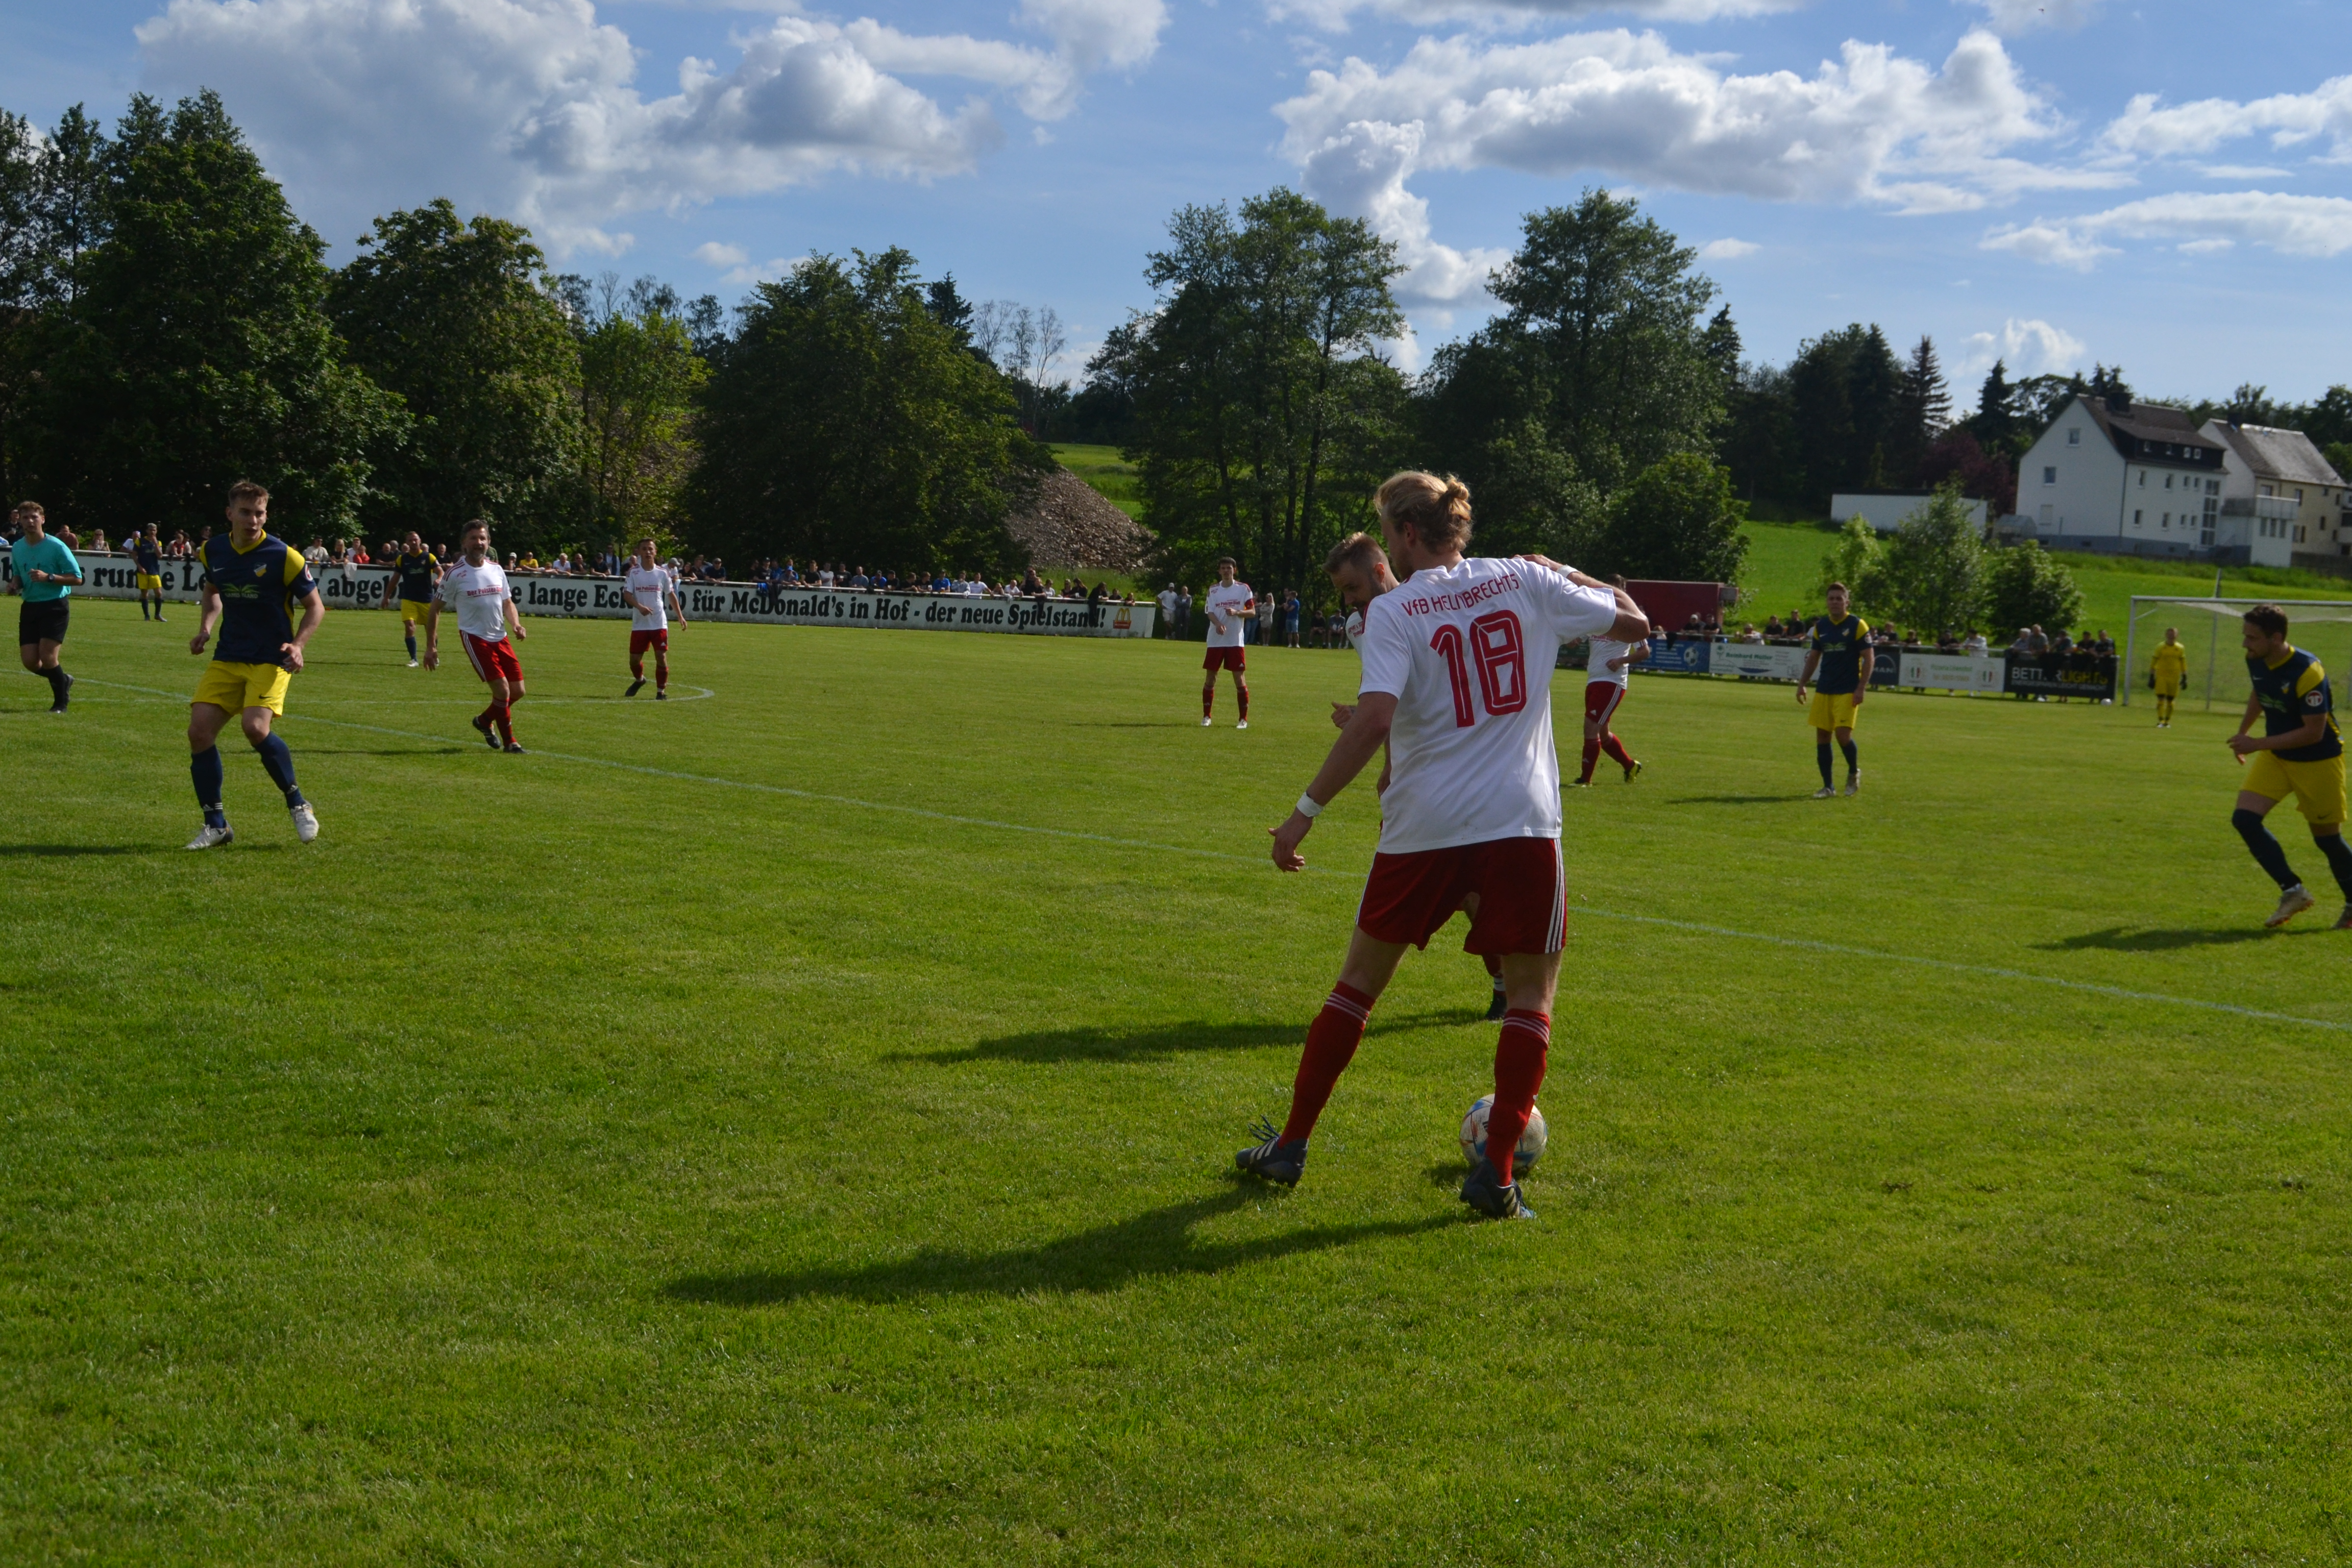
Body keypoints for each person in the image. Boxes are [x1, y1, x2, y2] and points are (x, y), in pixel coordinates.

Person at [1242, 474, 1646, 1219]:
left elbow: (1374, 720)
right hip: (1520, 822)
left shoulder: (1395, 610)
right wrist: (1564, 568)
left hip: (1423, 826)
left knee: (1356, 987)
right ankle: (1497, 1176)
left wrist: (1303, 814)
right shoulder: (1525, 578)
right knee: (1529, 999)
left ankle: (1292, 1144)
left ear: (1404, 535)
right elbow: (1635, 621)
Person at [183, 481, 323, 848]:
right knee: (199, 733)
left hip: (270, 657)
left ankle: (298, 802)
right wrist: (205, 629)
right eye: (246, 513)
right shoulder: (212, 550)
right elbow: (213, 592)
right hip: (229, 655)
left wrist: (298, 645)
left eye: (260, 513)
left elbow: (315, 607)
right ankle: (216, 825)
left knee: (255, 728)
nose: (253, 520)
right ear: (230, 514)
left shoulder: (285, 556)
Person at [2225, 605, 2351, 929]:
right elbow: (2260, 692)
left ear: (2276, 638)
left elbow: (2313, 733)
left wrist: (2256, 744)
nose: (2245, 644)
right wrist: (2243, 733)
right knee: (2245, 819)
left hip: (2318, 761)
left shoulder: (2308, 671)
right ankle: (2293, 891)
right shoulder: (2257, 658)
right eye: (2245, 636)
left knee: (2327, 840)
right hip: (2278, 757)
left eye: (2252, 638)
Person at [424, 519, 528, 753]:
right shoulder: (455, 574)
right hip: (475, 638)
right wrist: (431, 647)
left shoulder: (496, 569)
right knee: (503, 691)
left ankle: (483, 721)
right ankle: (511, 742)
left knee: (518, 691)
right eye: (473, 538)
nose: (478, 542)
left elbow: (507, 602)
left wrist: (516, 624)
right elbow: (435, 609)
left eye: (482, 538)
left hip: (500, 637)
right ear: (464, 543)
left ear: (488, 542)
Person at [1794, 582, 1872, 798]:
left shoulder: (1857, 625)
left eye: (1839, 599)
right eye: (1831, 599)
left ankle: (1853, 771)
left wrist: (1861, 688)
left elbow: (1869, 658)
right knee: (1822, 736)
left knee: (1843, 735)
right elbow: (1814, 658)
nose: (1835, 602)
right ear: (1827, 602)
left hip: (1848, 689)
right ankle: (1828, 787)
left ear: (1847, 602)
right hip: (1825, 688)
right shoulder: (1822, 627)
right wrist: (1802, 684)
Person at [9, 501, 82, 713]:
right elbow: (18, 575)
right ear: (20, 521)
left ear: (43, 519)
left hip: (54, 606)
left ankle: (60, 704)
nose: (30, 521)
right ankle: (64, 679)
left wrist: (49, 577)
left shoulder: (56, 546)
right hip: (30, 606)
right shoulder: (18, 547)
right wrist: (14, 585)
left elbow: (77, 578)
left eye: (34, 517)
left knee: (48, 657)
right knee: (30, 662)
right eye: (25, 518)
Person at [1575, 623, 1646, 786]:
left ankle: (1585, 780)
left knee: (1591, 727)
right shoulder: (1598, 619)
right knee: (1603, 733)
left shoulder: (1629, 623)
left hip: (1612, 682)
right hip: (1593, 680)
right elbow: (1575, 640)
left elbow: (1644, 651)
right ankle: (1630, 766)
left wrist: (1621, 660)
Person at [623, 536, 686, 698]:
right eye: (644, 549)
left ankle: (661, 692)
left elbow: (671, 594)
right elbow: (627, 594)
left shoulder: (662, 573)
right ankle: (640, 680)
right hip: (640, 624)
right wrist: (640, 607)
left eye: (650, 549)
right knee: (634, 660)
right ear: (639, 552)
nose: (648, 552)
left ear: (655, 552)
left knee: (661, 656)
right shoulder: (634, 572)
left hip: (659, 622)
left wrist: (680, 616)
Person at [1200, 557, 1254, 728]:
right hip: (1215, 641)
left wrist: (1238, 612)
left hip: (1235, 641)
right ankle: (1207, 717)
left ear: (1234, 570)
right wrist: (1218, 624)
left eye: (1229, 568)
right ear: (1219, 571)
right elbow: (1209, 612)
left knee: (1239, 679)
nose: (1226, 571)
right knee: (1211, 678)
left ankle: (1243, 720)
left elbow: (1252, 612)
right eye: (1223, 568)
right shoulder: (1213, 590)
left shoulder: (1243, 589)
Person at [387, 531, 442, 666]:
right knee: (410, 628)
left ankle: (433, 653)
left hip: (427, 599)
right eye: (410, 540)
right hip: (409, 599)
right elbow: (395, 579)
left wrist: (439, 579)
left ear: (420, 541)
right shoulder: (402, 559)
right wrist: (386, 597)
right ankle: (414, 659)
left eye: (415, 540)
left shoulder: (428, 557)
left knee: (431, 631)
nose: (413, 542)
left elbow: (440, 571)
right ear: (407, 543)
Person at [2151, 626, 2188, 728]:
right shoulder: (2160, 647)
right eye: (2170, 633)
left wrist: (2185, 677)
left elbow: (2183, 663)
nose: (2172, 636)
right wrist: (2152, 676)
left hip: (2174, 677)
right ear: (2166, 635)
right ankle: (2161, 721)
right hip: (2162, 676)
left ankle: (2167, 721)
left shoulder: (2180, 648)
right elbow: (2154, 661)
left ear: (2177, 635)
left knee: (2171, 700)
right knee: (2161, 698)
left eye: (2174, 634)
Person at [131, 522, 167, 622]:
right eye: (151, 530)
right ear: (147, 531)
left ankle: (158, 614)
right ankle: (147, 615)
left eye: (154, 530)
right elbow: (134, 554)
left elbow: (160, 556)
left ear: (156, 531)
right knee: (145, 593)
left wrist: (155, 543)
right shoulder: (140, 541)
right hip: (143, 571)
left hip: (154, 571)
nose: (152, 532)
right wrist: (139, 567)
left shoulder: (158, 542)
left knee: (159, 593)